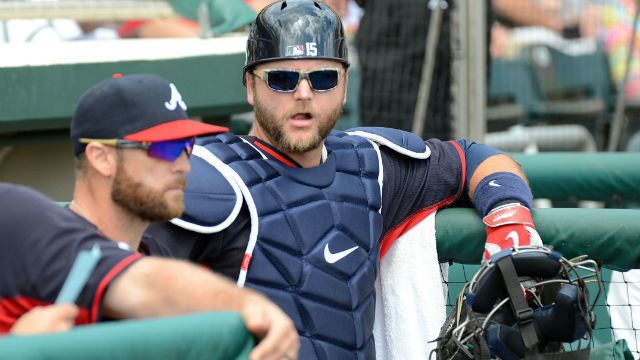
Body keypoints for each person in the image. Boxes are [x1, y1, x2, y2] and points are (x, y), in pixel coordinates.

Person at [145, 1, 542, 358]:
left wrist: (510, 217)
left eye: (322, 79)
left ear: (345, 84)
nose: (303, 93)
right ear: (250, 86)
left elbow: (474, 159)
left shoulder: (373, 163)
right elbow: (126, 280)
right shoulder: (208, 172)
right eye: (282, 78)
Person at [0, 185, 299, 359]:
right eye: (161, 149)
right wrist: (21, 349)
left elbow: (140, 281)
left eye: (186, 147)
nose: (180, 163)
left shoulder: (14, 210)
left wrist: (250, 305)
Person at [68, 73, 228, 253]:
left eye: (187, 146)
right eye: (165, 147)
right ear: (101, 158)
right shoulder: (47, 258)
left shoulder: (156, 253)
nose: (185, 166)